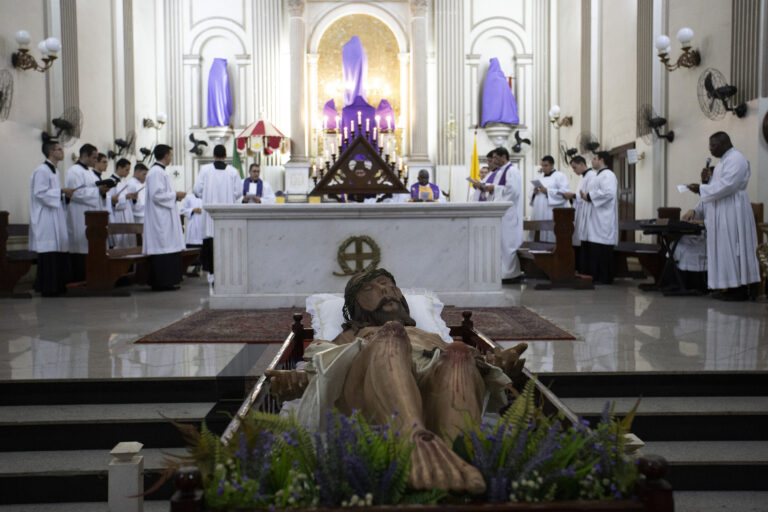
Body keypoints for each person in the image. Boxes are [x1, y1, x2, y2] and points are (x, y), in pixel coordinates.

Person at [266, 268, 528, 493]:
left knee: (458, 353)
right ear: (354, 306)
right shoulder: (344, 339)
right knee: (391, 335)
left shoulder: (431, 337)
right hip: (374, 389)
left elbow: (480, 367)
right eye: (372, 288)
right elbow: (324, 371)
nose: (386, 292)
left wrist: (500, 365)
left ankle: (456, 460)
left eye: (390, 286)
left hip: (429, 391)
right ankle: (411, 440)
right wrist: (297, 380)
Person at [687, 131, 760, 300]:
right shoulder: (722, 163)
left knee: (733, 248)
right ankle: (728, 286)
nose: (710, 149)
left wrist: (701, 188)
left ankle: (740, 289)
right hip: (722, 211)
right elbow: (716, 186)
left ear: (724, 143)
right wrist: (705, 183)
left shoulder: (737, 159)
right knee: (724, 250)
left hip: (733, 210)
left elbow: (728, 185)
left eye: (713, 145)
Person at [29, 140, 74, 296]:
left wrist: (64, 194)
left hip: (55, 213)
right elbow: (39, 193)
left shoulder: (55, 171)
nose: (62, 152)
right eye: (59, 149)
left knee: (58, 250)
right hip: (46, 216)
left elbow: (53, 193)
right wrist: (61, 191)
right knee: (49, 252)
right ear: (50, 152)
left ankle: (58, 285)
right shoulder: (42, 170)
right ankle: (48, 287)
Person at [475, 147, 523, 283]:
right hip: (501, 213)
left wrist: (493, 188)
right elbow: (497, 190)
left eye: (496, 158)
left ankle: (510, 274)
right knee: (501, 243)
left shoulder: (512, 171)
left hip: (509, 213)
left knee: (507, 243)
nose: (494, 160)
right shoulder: (501, 172)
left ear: (503, 157)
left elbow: (512, 191)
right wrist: (489, 188)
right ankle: (502, 272)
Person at [193, 144, 242, 277]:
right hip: (227, 214)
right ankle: (226, 271)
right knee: (226, 241)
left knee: (210, 240)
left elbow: (197, 190)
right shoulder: (233, 171)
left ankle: (211, 272)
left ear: (213, 156)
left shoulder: (205, 170)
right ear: (226, 156)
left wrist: (208, 195)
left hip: (210, 214)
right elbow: (238, 193)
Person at [142, 144, 186, 291]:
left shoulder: (159, 171)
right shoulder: (155, 172)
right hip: (160, 218)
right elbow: (157, 195)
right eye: (171, 155)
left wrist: (175, 197)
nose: (171, 158)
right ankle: (162, 282)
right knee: (163, 247)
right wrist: (175, 195)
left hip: (164, 216)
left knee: (168, 247)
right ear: (166, 155)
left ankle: (167, 281)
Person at [65, 143, 109, 281]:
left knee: (89, 247)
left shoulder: (89, 173)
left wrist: (101, 191)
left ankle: (91, 279)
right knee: (80, 247)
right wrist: (98, 191)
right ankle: (79, 280)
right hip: (79, 214)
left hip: (91, 214)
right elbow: (75, 193)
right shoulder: (74, 171)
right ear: (84, 155)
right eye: (94, 158)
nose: (95, 161)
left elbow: (93, 191)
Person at [580, 151, 618, 284]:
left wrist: (589, 196)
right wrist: (586, 196)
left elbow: (608, 193)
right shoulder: (598, 175)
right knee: (594, 247)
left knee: (601, 248)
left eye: (594, 159)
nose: (592, 161)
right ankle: (594, 276)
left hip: (603, 219)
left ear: (601, 160)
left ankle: (604, 278)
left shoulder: (608, 175)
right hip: (595, 219)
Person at [561, 156, 595, 273]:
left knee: (582, 241)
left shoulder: (592, 176)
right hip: (579, 212)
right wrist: (573, 197)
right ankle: (578, 268)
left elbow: (588, 196)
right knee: (577, 240)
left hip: (586, 213)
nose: (574, 170)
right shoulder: (582, 178)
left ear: (581, 164)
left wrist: (573, 196)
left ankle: (583, 269)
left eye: (575, 167)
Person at [529, 155, 570, 243]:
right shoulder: (539, 178)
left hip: (550, 211)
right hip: (538, 211)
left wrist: (547, 191)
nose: (543, 168)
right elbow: (531, 196)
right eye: (542, 166)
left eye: (546, 165)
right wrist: (534, 193)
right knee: (538, 236)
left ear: (552, 165)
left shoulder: (560, 176)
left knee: (550, 236)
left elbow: (564, 193)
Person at [106, 158, 138, 248]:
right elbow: (109, 201)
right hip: (118, 216)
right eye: (126, 170)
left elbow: (129, 203)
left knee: (130, 242)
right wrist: (125, 197)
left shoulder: (124, 182)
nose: (128, 173)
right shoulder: (110, 182)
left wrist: (133, 199)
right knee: (120, 244)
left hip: (127, 215)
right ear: (119, 167)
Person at [180, 191, 205, 276]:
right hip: (193, 226)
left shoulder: (207, 196)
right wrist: (193, 210)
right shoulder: (189, 197)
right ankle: (192, 268)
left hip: (203, 225)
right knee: (193, 248)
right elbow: (183, 210)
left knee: (203, 247)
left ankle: (201, 267)